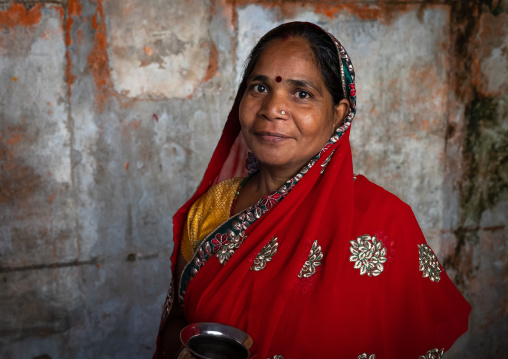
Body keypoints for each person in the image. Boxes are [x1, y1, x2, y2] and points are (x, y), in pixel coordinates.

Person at [154, 22, 471, 359]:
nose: (272, 109)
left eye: (302, 94)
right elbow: (178, 322)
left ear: (339, 115)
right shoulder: (210, 209)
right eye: (259, 88)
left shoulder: (385, 223)